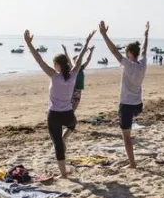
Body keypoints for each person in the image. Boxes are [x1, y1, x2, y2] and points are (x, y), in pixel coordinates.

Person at [26, 29, 96, 178]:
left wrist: (29, 44)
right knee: (72, 124)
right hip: (68, 115)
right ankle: (65, 138)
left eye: (54, 64)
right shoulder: (73, 74)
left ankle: (63, 173)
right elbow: (80, 58)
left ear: (57, 65)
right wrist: (87, 42)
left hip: (54, 116)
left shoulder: (53, 75)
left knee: (58, 144)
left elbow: (39, 60)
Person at [98, 20, 149, 168]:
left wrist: (104, 34)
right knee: (126, 126)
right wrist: (146, 34)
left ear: (130, 53)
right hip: (137, 105)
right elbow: (145, 49)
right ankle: (131, 159)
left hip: (126, 105)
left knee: (126, 137)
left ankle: (132, 164)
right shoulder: (143, 63)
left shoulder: (128, 64)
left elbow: (114, 51)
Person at [63, 44, 95, 112]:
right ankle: (68, 115)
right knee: (72, 104)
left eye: (78, 60)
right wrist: (65, 50)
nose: (78, 61)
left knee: (75, 104)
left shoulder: (81, 68)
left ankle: (69, 115)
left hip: (79, 89)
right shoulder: (73, 68)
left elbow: (88, 60)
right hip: (73, 89)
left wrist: (91, 52)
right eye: (76, 60)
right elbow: (68, 59)